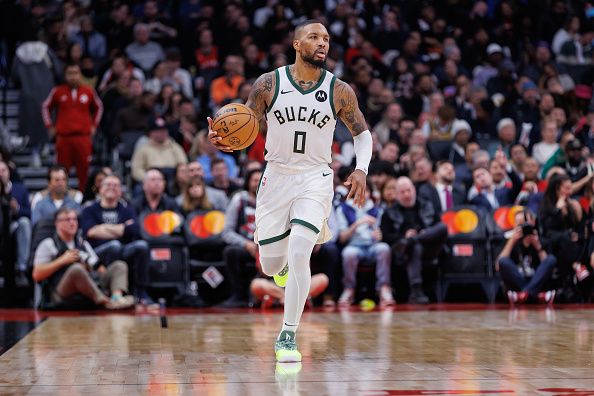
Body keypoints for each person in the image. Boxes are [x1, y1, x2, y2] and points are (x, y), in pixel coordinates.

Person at [208, 20, 371, 363]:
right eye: (314, 37)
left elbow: (362, 133)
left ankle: (287, 334)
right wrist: (224, 139)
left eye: (326, 38)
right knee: (269, 266)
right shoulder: (270, 83)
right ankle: (280, 270)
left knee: (300, 250)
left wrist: (361, 168)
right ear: (297, 44)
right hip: (276, 177)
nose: (322, 43)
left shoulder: (339, 90)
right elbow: (246, 125)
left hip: (316, 176)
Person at [32, 207, 134, 310]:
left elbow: (99, 269)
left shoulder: (83, 243)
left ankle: (117, 298)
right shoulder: (48, 244)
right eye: (67, 220)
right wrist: (62, 260)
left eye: (74, 219)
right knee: (76, 269)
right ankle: (104, 301)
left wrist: (90, 269)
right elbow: (37, 275)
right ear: (57, 223)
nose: (72, 223)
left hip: (86, 287)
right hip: (60, 291)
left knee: (119, 266)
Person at [80, 175, 153, 305]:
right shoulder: (89, 209)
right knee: (114, 245)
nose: (112, 188)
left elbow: (134, 230)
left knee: (142, 246)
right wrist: (121, 229)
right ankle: (112, 289)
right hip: (98, 252)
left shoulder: (127, 209)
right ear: (100, 189)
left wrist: (103, 228)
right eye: (108, 185)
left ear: (120, 191)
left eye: (116, 185)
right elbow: (90, 232)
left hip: (123, 249)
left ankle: (141, 292)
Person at [380, 177, 448, 304]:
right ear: (397, 194)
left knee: (443, 227)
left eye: (409, 190)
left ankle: (415, 239)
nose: (407, 194)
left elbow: (437, 226)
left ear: (414, 190)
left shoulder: (426, 205)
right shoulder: (389, 212)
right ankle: (416, 291)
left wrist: (423, 233)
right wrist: (403, 236)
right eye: (402, 192)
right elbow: (386, 237)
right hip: (404, 250)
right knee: (415, 246)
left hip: (429, 246)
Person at [42, 64, 103, 189]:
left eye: (76, 73)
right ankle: (61, 199)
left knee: (84, 172)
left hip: (83, 138)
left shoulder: (89, 91)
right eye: (70, 73)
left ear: (80, 75)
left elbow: (99, 107)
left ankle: (84, 199)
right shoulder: (58, 91)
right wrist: (49, 126)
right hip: (64, 138)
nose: (73, 77)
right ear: (65, 76)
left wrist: (94, 125)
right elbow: (45, 107)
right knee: (61, 172)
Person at [336, 183, 395, 308]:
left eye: (366, 190)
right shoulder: (344, 209)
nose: (363, 194)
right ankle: (349, 289)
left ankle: (384, 289)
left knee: (384, 248)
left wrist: (379, 235)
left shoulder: (377, 209)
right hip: (354, 245)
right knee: (348, 254)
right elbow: (342, 238)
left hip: (372, 246)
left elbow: (380, 234)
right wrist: (357, 224)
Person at [219, 169, 262, 307]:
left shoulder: (274, 200)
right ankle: (238, 294)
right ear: (248, 182)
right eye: (255, 180)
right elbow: (227, 232)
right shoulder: (239, 200)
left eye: (261, 180)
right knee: (230, 252)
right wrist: (246, 244)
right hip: (246, 246)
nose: (258, 183)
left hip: (268, 247)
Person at [497, 208, 557, 305]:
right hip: (518, 280)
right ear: (514, 225)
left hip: (537, 280)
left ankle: (523, 295)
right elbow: (498, 266)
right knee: (503, 261)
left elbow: (548, 267)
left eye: (525, 223)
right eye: (519, 224)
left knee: (551, 259)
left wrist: (538, 247)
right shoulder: (509, 240)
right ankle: (535, 295)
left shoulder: (542, 241)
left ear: (533, 222)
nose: (523, 227)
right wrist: (512, 241)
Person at [0, 160, 31, 286]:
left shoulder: (20, 189)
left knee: (24, 222)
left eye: (3, 170)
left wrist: (17, 208)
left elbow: (29, 213)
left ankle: (22, 269)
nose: (0, 174)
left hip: (14, 226)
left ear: (9, 172)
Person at [130, 117, 187, 184]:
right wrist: (148, 178)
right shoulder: (143, 149)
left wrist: (179, 176)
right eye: (158, 131)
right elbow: (136, 170)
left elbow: (183, 165)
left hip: (173, 180)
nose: (161, 133)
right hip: (151, 181)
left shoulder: (175, 147)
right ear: (150, 133)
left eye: (163, 130)